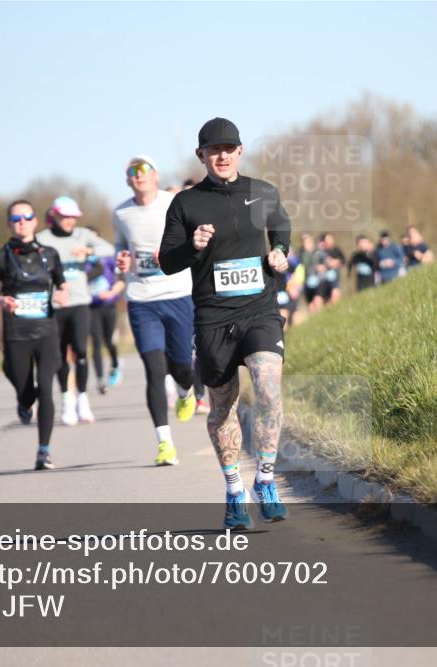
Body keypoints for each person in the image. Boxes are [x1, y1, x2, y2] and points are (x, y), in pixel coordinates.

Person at [159, 117, 291, 529]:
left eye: (228, 149)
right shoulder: (185, 203)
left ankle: (265, 480)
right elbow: (167, 261)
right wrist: (192, 245)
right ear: (201, 155)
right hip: (213, 317)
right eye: (213, 150)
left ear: (239, 151)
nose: (222, 156)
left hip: (259, 309)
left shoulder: (262, 192)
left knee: (268, 388)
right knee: (222, 406)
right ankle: (235, 491)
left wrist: (279, 251)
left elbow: (281, 227)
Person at [113, 155, 198, 466]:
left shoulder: (173, 203)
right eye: (132, 170)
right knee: (154, 367)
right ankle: (165, 443)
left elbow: (194, 240)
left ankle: (186, 391)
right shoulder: (121, 212)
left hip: (177, 293)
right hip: (141, 298)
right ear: (128, 179)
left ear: (156, 175)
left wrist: (174, 251)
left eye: (143, 169)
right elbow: (120, 247)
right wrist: (122, 260)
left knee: (182, 367)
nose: (138, 174)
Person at [0, 200, 69, 470]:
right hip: (17, 333)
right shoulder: (0, 257)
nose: (21, 222)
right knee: (24, 386)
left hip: (46, 332)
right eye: (16, 218)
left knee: (45, 387)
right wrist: (1, 300)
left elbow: (62, 284)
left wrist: (63, 294)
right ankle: (24, 401)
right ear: (9, 224)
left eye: (26, 217)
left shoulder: (50, 254)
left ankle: (44, 450)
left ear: (35, 221)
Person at [36, 196, 116, 426]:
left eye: (73, 217)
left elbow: (109, 249)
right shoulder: (43, 239)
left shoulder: (83, 234)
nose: (69, 220)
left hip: (81, 302)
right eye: (64, 216)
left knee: (81, 351)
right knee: (60, 355)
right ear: (54, 215)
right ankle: (67, 400)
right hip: (56, 304)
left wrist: (88, 251)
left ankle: (82, 398)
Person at [87, 252, 125, 394]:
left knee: (108, 340)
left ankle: (115, 363)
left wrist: (111, 293)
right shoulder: (81, 263)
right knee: (96, 342)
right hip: (91, 307)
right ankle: (100, 380)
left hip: (109, 305)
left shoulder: (107, 258)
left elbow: (121, 281)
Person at [299, 232, 325, 314]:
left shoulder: (318, 252)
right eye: (303, 241)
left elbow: (325, 264)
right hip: (307, 283)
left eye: (307, 241)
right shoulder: (300, 254)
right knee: (310, 306)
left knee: (318, 301)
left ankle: (322, 318)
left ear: (311, 241)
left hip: (319, 281)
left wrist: (321, 267)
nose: (305, 243)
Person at [319, 232, 345, 305]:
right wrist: (326, 264)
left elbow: (343, 261)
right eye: (327, 239)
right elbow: (318, 265)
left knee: (335, 294)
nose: (329, 241)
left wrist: (336, 262)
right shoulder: (321, 252)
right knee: (324, 300)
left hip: (334, 278)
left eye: (330, 239)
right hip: (323, 280)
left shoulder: (336, 250)